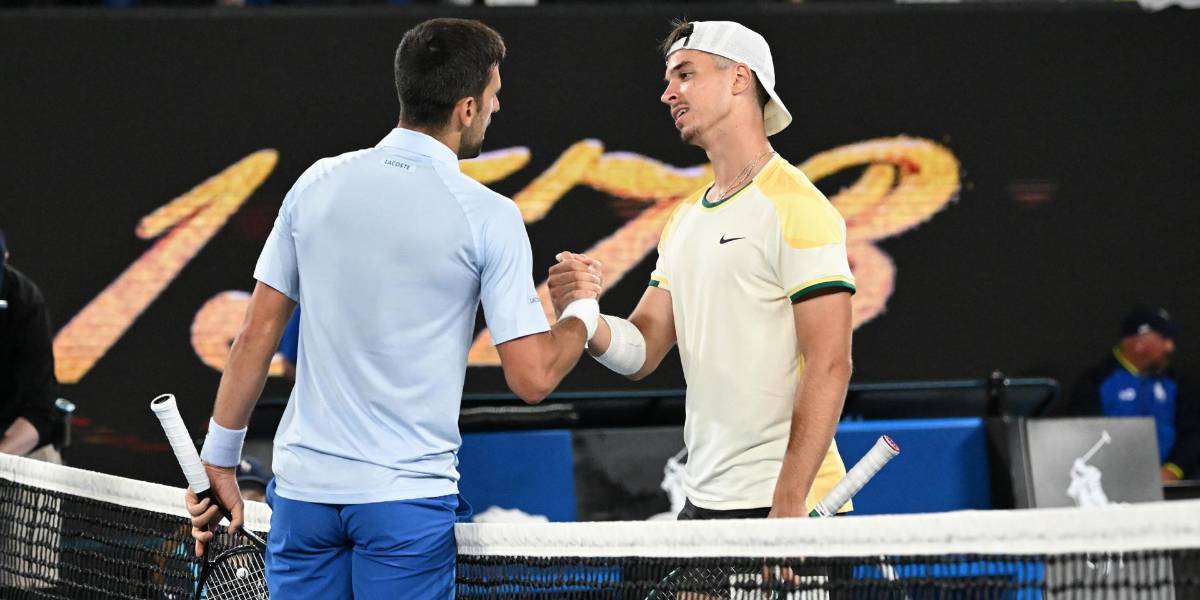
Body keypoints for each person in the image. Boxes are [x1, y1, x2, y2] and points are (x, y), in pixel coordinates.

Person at [184, 18, 601, 598]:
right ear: (466, 109)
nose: (497, 107)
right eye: (493, 95)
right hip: (403, 506)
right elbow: (533, 378)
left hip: (304, 499)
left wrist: (219, 462)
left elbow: (255, 336)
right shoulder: (489, 214)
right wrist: (581, 310)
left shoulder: (315, 183)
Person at [549, 20, 855, 521]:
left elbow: (831, 363)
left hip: (784, 503)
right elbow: (641, 351)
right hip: (705, 501)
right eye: (670, 79)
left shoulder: (799, 207)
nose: (667, 93)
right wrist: (584, 313)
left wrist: (790, 498)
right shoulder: (686, 218)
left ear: (739, 78)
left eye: (685, 74)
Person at [1056, 306, 1199, 482]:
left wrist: (1172, 470)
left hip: (1174, 484)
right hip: (1114, 483)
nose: (1170, 347)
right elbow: (1082, 439)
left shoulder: (1176, 381)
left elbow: (1192, 432)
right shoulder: (1096, 381)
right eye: (1163, 339)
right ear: (1139, 342)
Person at [0, 228, 63, 463]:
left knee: (45, 460)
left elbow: (40, 411)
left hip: (12, 442)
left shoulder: (25, 302)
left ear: (6, 258)